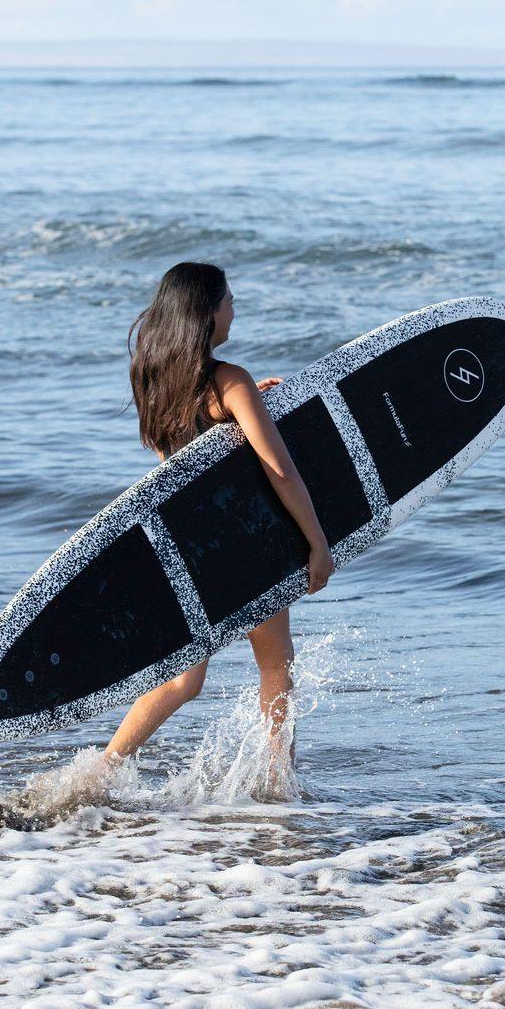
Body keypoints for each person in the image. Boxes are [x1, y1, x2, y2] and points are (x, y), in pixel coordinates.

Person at [101, 262, 334, 775]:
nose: (235, 308)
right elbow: (280, 470)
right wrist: (317, 543)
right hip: (247, 544)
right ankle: (278, 780)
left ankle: (104, 766)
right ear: (207, 314)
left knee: (183, 681)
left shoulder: (152, 379)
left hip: (189, 547)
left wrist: (250, 406)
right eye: (230, 299)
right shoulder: (229, 379)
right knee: (275, 664)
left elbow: (176, 465)